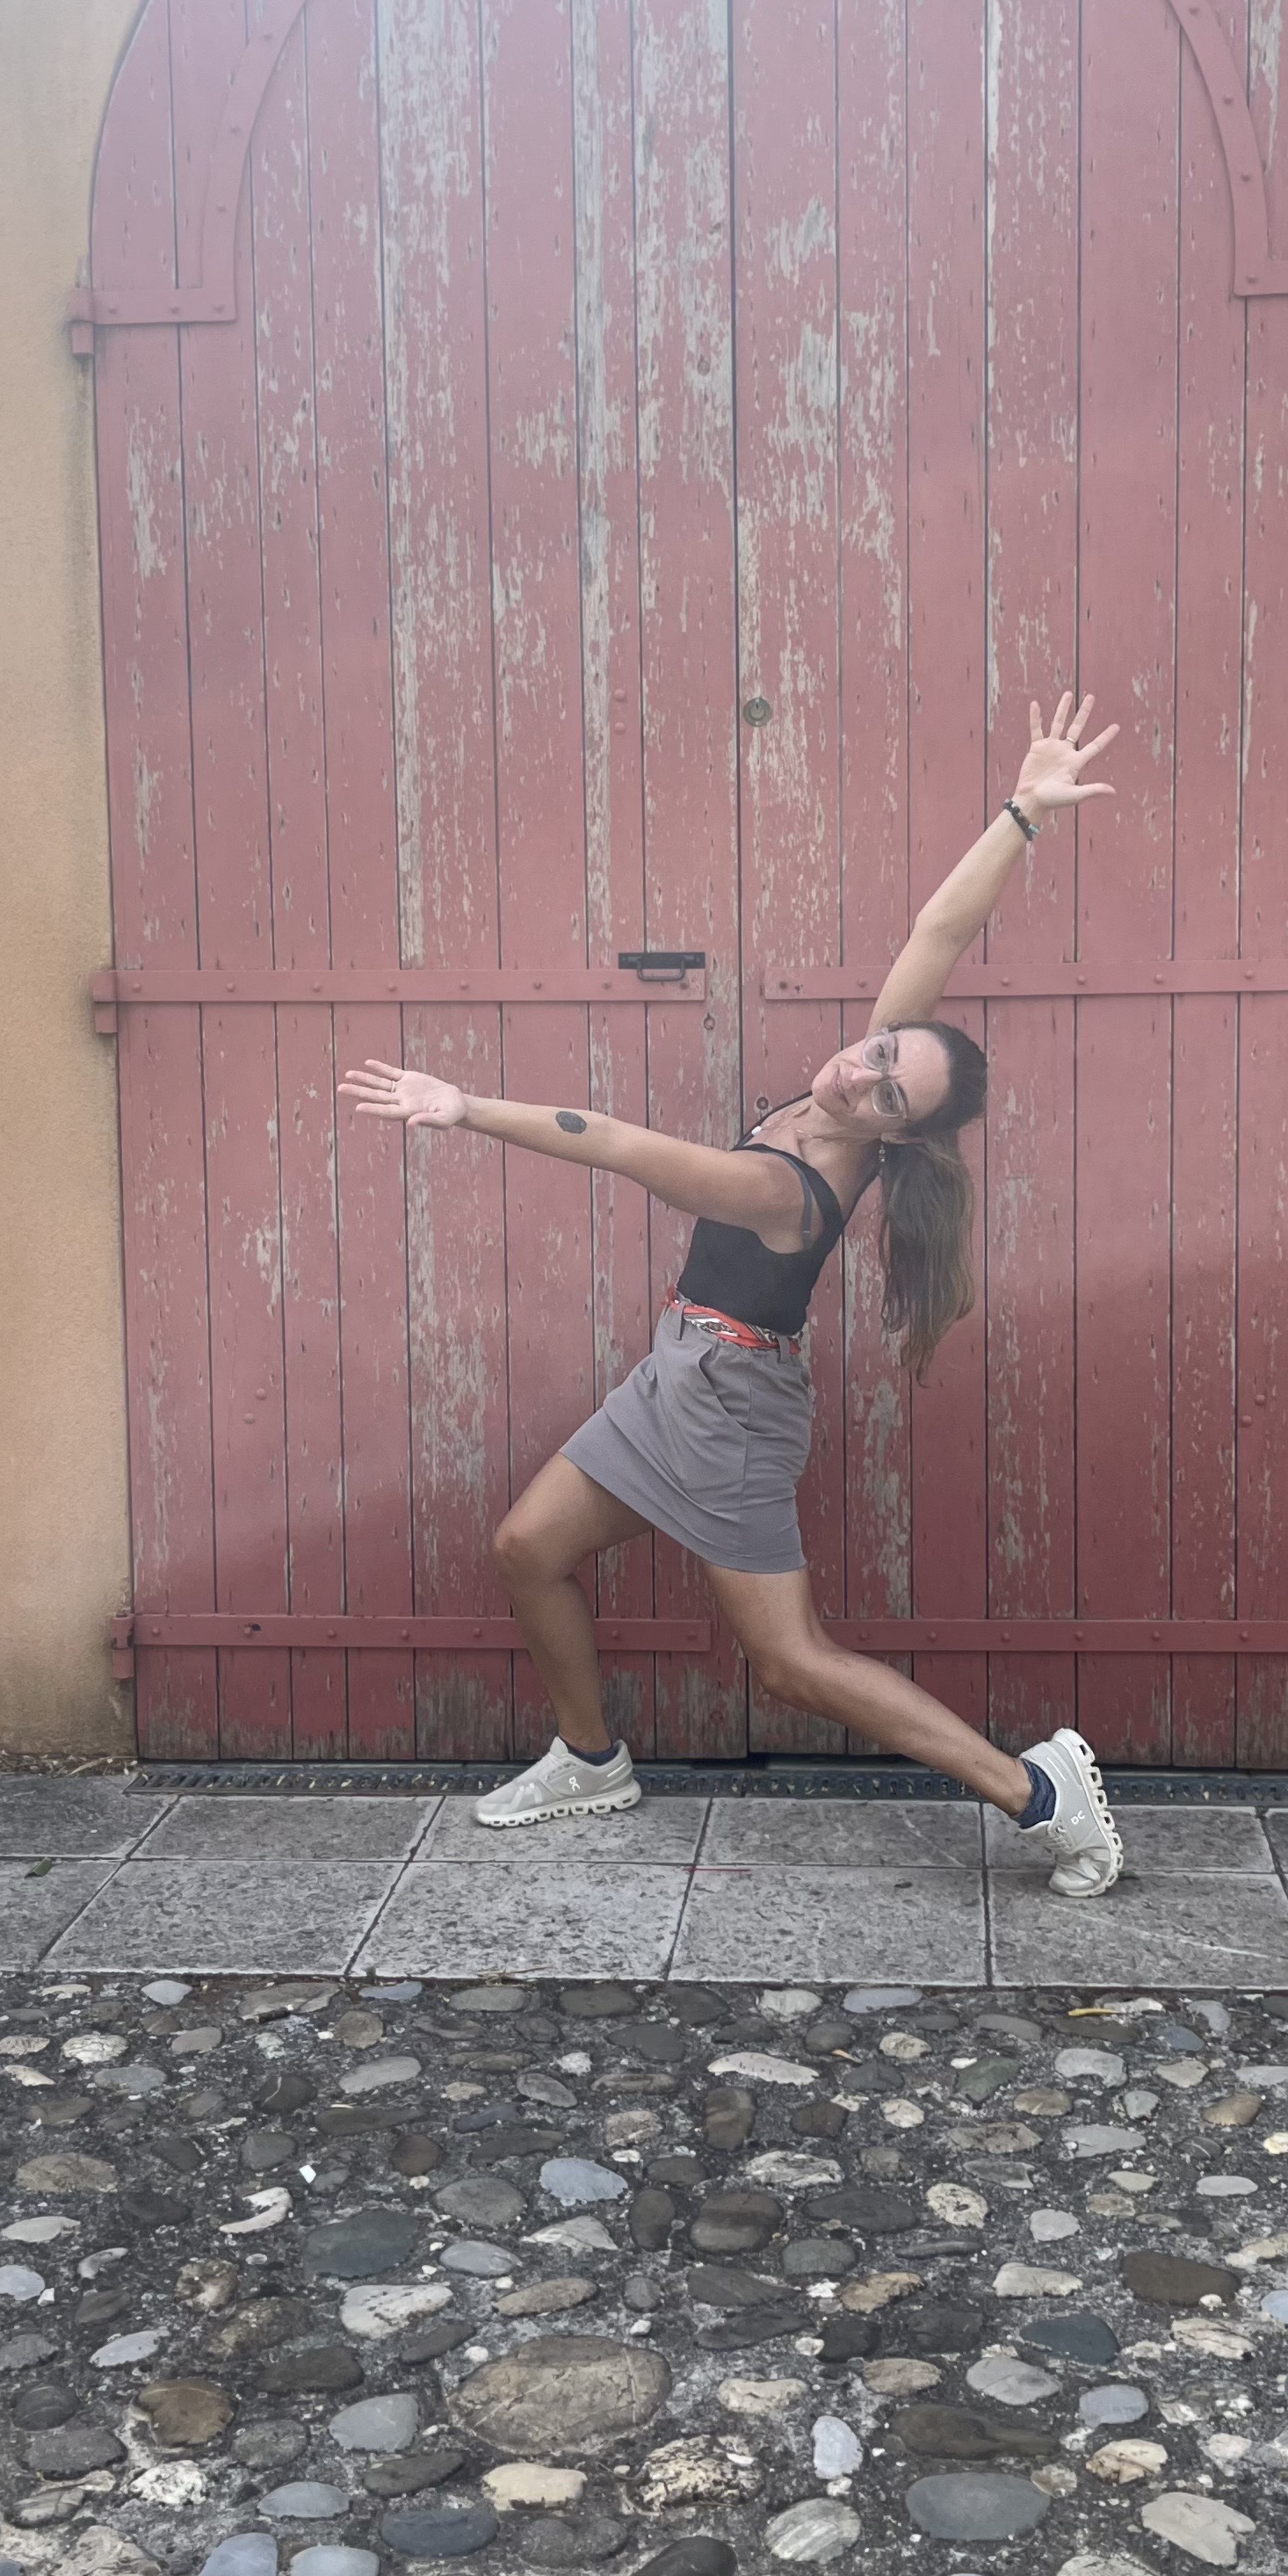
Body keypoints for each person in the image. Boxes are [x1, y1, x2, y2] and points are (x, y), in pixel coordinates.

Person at [340, 691, 1127, 1898]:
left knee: (794, 1664)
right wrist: (1024, 810)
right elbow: (938, 931)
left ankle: (1041, 1794)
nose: (861, 1074)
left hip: (730, 1406)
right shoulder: (848, 1089)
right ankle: (591, 1758)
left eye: (887, 1092)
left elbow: (613, 1142)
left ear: (901, 1138)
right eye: (875, 1055)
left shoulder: (791, 1183)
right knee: (527, 1547)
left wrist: (464, 1110)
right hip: (684, 1370)